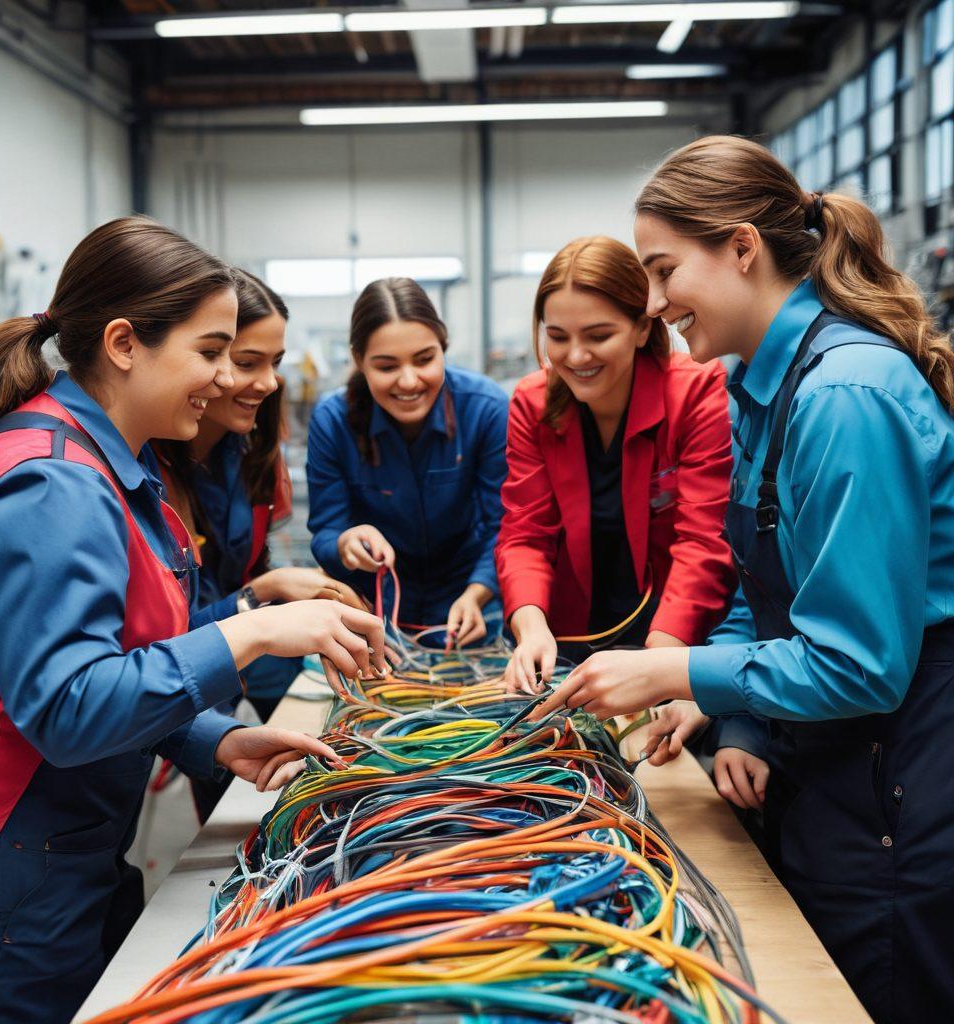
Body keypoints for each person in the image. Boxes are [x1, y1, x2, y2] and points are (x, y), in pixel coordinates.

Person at [536, 136, 954, 1024]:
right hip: (835, 768)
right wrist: (733, 714)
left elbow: (859, 663)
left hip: (902, 780)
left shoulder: (845, 396)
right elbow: (758, 589)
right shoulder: (759, 389)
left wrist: (675, 673)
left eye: (661, 271)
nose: (653, 303)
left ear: (740, 248)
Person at [0, 217, 384, 1024]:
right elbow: (67, 709)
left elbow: (123, 659)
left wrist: (213, 739)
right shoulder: (52, 486)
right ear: (123, 344)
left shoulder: (117, 468)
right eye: (211, 352)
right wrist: (248, 630)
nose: (225, 378)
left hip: (67, 845)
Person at [497, 236, 735, 697]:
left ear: (643, 328)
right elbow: (525, 535)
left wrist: (660, 667)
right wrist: (531, 628)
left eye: (599, 335)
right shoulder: (532, 401)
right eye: (558, 337)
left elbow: (702, 542)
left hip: (671, 640)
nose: (576, 356)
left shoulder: (695, 391)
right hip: (565, 648)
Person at [155, 269, 364, 722]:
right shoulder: (148, 473)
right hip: (191, 669)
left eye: (275, 362)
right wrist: (263, 591)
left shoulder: (250, 448)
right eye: (248, 363)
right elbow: (165, 640)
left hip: (249, 647)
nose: (269, 383)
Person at [307, 277, 508, 645]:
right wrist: (345, 543)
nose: (409, 381)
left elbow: (505, 526)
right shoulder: (333, 421)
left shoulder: (486, 409)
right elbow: (325, 531)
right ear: (359, 361)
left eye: (425, 359)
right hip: (374, 613)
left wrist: (478, 592)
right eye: (386, 367)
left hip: (469, 605)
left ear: (443, 347)